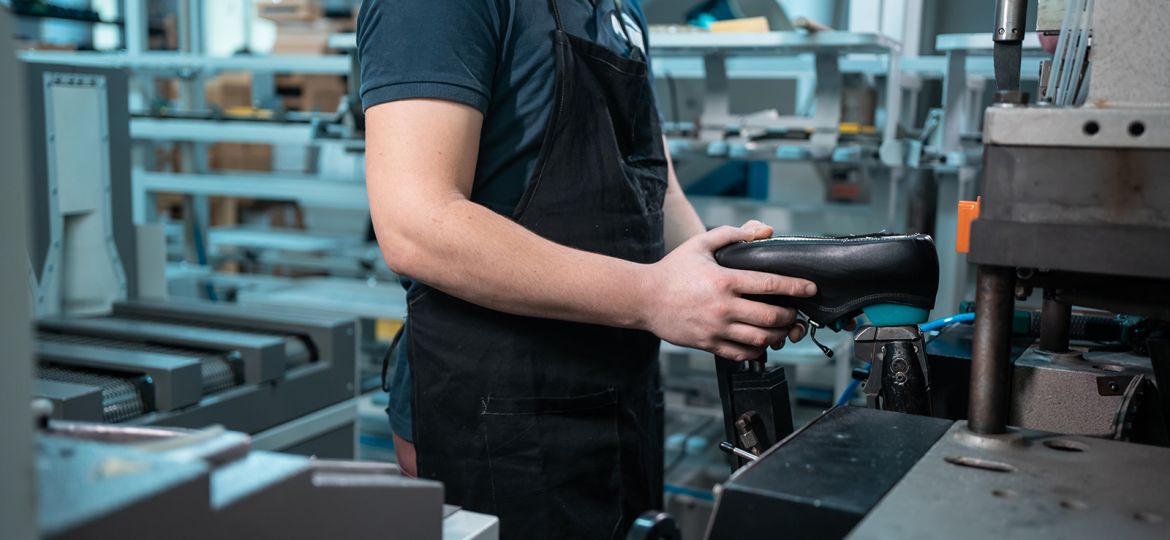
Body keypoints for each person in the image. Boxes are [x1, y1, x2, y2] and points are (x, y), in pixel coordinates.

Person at [358, 0, 814, 537]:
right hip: (495, 413)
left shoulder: (622, 8)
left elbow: (654, 185)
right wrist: (652, 296)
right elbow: (416, 224)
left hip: (619, 396)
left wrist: (734, 280)